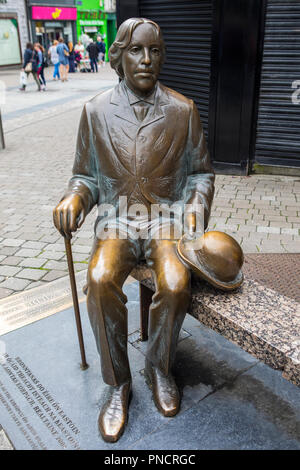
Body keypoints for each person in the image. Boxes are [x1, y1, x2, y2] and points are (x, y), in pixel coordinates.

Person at [53, 18, 215, 443]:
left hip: (166, 221)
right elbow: (84, 177)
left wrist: (195, 208)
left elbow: (200, 175)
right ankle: (118, 382)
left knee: (177, 282)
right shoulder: (95, 110)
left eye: (155, 51)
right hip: (116, 220)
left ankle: (159, 366)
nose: (147, 60)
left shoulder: (183, 110)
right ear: (118, 56)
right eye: (136, 51)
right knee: (100, 278)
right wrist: (74, 200)